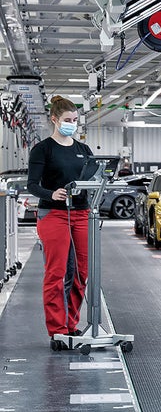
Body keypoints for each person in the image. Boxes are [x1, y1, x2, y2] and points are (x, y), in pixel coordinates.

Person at [27, 95, 93, 348]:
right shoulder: (43, 149)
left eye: (75, 120)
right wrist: (51, 193)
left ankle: (71, 325)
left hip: (81, 213)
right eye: (67, 120)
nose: (72, 124)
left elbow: (90, 180)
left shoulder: (83, 150)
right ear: (54, 119)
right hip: (53, 214)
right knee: (57, 273)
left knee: (80, 273)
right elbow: (32, 185)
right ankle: (57, 330)